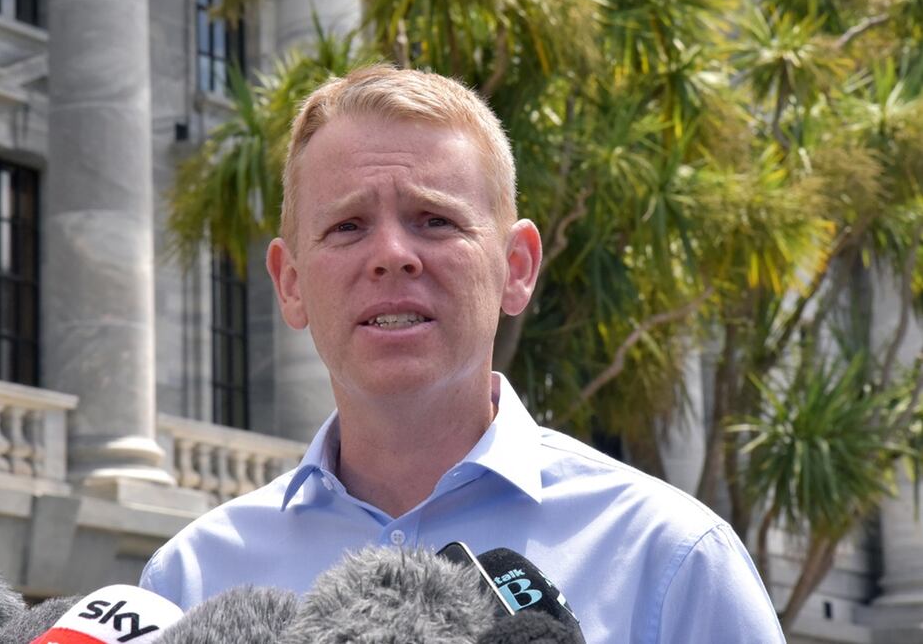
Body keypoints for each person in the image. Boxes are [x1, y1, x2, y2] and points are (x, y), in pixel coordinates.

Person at [140, 66, 785, 642]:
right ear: (290, 283)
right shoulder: (188, 583)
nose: (392, 254)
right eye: (347, 226)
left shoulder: (672, 562)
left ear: (517, 267)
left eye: (435, 220)